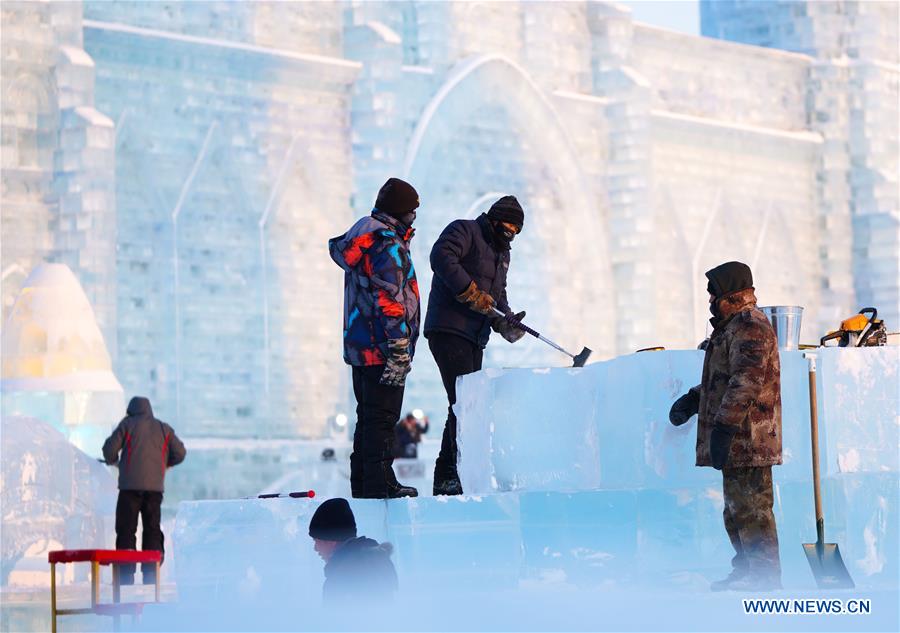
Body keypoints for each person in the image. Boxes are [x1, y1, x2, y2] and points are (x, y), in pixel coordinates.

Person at [669, 261, 782, 591]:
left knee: (753, 511)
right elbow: (724, 381)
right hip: (738, 437)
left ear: (730, 294)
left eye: (713, 294)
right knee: (736, 511)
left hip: (749, 437)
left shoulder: (750, 327)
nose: (710, 301)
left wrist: (724, 428)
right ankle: (747, 570)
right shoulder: (732, 327)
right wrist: (694, 401)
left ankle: (763, 578)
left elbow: (745, 383)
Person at [424, 195, 527, 496]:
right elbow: (441, 256)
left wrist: (505, 319)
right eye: (508, 226)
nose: (511, 234)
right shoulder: (465, 231)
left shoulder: (502, 254)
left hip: (474, 335)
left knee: (465, 403)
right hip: (449, 327)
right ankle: (448, 476)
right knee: (465, 401)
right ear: (495, 219)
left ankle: (450, 475)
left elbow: (497, 295)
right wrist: (469, 291)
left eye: (516, 231)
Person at [329, 178, 421, 499]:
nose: (414, 217)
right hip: (384, 348)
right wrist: (399, 348)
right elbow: (390, 299)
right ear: (400, 212)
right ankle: (381, 482)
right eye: (412, 211)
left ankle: (365, 483)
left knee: (367, 418)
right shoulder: (386, 245)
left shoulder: (364, 240)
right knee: (382, 419)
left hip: (362, 347)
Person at [101, 396, 186, 585]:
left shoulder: (127, 424)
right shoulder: (163, 428)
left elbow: (109, 450)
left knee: (126, 530)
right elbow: (180, 452)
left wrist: (114, 462)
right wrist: (165, 464)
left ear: (130, 410)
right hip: (154, 490)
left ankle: (125, 576)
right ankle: (151, 574)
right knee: (152, 529)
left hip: (129, 488)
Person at [308, 498, 398, 605]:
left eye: (317, 541)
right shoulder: (378, 559)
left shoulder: (340, 578)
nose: (315, 548)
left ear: (330, 540)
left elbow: (335, 619)